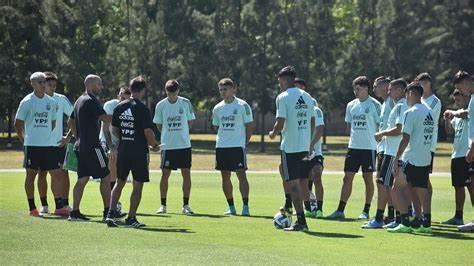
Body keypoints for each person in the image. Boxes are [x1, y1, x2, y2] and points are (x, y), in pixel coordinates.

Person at [106, 76, 159, 227]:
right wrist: (154, 145)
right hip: (138, 153)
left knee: (119, 182)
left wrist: (125, 138)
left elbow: (115, 129)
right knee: (137, 185)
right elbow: (148, 132)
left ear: (130, 88)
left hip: (123, 150)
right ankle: (131, 218)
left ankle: (111, 214)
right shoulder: (142, 109)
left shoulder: (119, 106)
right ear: (142, 90)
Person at [269, 66, 316, 231]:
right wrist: (309, 141)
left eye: (279, 81)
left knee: (293, 185)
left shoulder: (283, 97)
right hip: (303, 146)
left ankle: (301, 222)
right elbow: (312, 120)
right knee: (302, 182)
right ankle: (305, 213)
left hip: (289, 147)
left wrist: (273, 133)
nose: (279, 84)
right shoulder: (307, 96)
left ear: (283, 80)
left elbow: (280, 122)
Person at [327, 76, 381, 220]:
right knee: (347, 178)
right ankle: (340, 210)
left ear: (365, 88)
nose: (355, 92)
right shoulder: (351, 105)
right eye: (354, 89)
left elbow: (381, 126)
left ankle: (366, 210)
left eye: (357, 89)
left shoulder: (376, 105)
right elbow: (349, 126)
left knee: (367, 178)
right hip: (353, 148)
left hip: (369, 148)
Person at [389, 82, 434, 233]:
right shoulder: (429, 111)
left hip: (411, 158)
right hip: (425, 158)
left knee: (395, 189)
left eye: (407, 94)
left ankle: (405, 222)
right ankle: (425, 224)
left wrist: (396, 158)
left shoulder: (410, 112)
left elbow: (405, 138)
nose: (406, 98)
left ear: (411, 94)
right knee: (420, 190)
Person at [67, 74, 113, 221]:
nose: (101, 87)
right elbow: (105, 118)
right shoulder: (92, 100)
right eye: (99, 84)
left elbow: (70, 121)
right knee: (106, 176)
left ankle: (74, 212)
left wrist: (78, 136)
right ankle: (108, 212)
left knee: (82, 178)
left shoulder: (79, 100)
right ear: (92, 84)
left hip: (81, 146)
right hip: (93, 147)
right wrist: (123, 114)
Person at [364, 78, 408, 228]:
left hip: (392, 152)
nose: (389, 92)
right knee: (387, 185)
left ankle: (384, 219)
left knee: (387, 186)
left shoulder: (401, 105)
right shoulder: (395, 105)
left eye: (392, 89)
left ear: (401, 90)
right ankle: (396, 219)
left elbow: (399, 128)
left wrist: (381, 134)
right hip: (389, 150)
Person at [14, 72, 59, 216]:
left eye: (44, 81)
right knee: (31, 175)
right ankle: (32, 207)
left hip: (47, 146)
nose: (43, 84)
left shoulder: (51, 102)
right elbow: (18, 124)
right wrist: (25, 141)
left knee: (46, 174)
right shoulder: (27, 102)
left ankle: (46, 205)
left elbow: (52, 123)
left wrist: (44, 137)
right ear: (32, 84)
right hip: (31, 146)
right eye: (40, 82)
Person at [212, 78, 254, 216]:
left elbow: (249, 125)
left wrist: (245, 141)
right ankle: (231, 207)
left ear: (233, 89)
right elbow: (216, 126)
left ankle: (245, 206)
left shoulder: (243, 106)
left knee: (241, 175)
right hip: (222, 147)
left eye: (225, 89)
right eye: (221, 90)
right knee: (225, 177)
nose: (223, 92)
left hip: (237, 146)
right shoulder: (217, 108)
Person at [154, 80, 196, 215]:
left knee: (186, 174)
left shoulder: (185, 103)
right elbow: (159, 124)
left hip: (184, 145)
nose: (172, 95)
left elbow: (190, 121)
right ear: (166, 91)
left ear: (178, 91)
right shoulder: (161, 105)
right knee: (165, 174)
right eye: (169, 93)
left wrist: (181, 134)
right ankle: (163, 205)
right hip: (168, 146)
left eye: (174, 92)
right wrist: (167, 135)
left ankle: (186, 205)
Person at [35, 72, 73, 216]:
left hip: (58, 145)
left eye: (54, 85)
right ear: (43, 85)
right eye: (49, 85)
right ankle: (44, 204)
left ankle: (65, 204)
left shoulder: (61, 99)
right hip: (40, 145)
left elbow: (74, 117)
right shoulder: (35, 100)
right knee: (42, 174)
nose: (52, 88)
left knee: (63, 174)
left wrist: (68, 137)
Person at [445, 70, 474, 232]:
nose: (460, 94)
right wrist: (449, 119)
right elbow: (450, 132)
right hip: (459, 154)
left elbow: (465, 114)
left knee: (471, 186)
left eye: (460, 90)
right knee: (459, 186)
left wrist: (453, 113)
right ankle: (458, 216)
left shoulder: (470, 104)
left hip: (469, 153)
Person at [99, 87, 131, 217]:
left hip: (118, 144)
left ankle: (113, 206)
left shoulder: (130, 108)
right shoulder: (109, 105)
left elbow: (122, 132)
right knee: (108, 174)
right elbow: (106, 128)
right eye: (122, 97)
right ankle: (110, 208)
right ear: (118, 95)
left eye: (126, 99)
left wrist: (116, 147)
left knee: (117, 175)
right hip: (105, 142)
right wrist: (111, 147)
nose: (123, 100)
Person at [373, 76, 396, 223]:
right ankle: (390, 215)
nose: (374, 88)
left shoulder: (392, 103)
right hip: (382, 147)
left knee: (384, 183)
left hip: (388, 148)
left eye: (376, 85)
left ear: (385, 86)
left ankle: (384, 217)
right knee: (383, 183)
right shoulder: (384, 103)